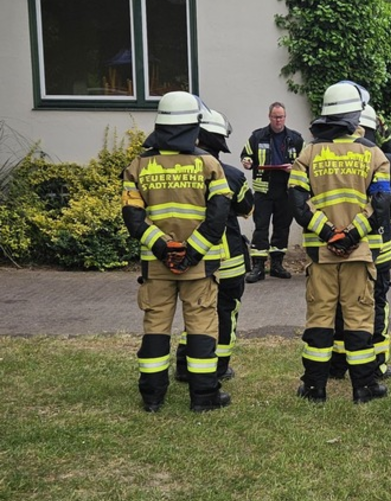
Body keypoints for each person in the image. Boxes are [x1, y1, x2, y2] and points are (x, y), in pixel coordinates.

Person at [121, 91, 232, 412]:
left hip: (156, 266)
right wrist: (191, 253)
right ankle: (204, 397)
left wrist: (162, 247)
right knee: (201, 327)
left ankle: (152, 398)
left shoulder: (138, 166)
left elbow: (133, 217)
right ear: (193, 126)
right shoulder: (209, 164)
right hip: (198, 268)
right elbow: (218, 215)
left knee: (156, 327)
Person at [288, 82, 391, 404]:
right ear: (353, 115)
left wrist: (328, 232)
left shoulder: (308, 153)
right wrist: (351, 234)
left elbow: (296, 200)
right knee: (359, 319)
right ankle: (364, 388)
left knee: (319, 319)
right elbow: (382, 201)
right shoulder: (374, 154)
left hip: (321, 255)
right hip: (358, 254)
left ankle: (315, 388)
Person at [330, 104, 391, 380]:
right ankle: (377, 364)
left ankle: (337, 364)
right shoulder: (379, 156)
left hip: (336, 243)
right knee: (375, 304)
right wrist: (389, 136)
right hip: (376, 245)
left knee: (339, 304)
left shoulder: (328, 155)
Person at [175, 109, 255, 384]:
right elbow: (247, 209)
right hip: (228, 259)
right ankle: (219, 367)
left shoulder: (178, 172)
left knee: (195, 310)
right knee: (225, 311)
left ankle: (184, 365)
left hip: (192, 258)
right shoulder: (232, 175)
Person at [241, 101, 305, 282]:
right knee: (260, 228)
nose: (278, 120)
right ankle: (258, 267)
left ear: (285, 117)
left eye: (281, 117)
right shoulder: (258, 136)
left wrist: (294, 168)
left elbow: (306, 162)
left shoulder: (296, 138)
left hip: (285, 189)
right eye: (276, 117)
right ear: (269, 117)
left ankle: (277, 264)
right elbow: (246, 154)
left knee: (282, 227)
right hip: (263, 190)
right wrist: (246, 161)